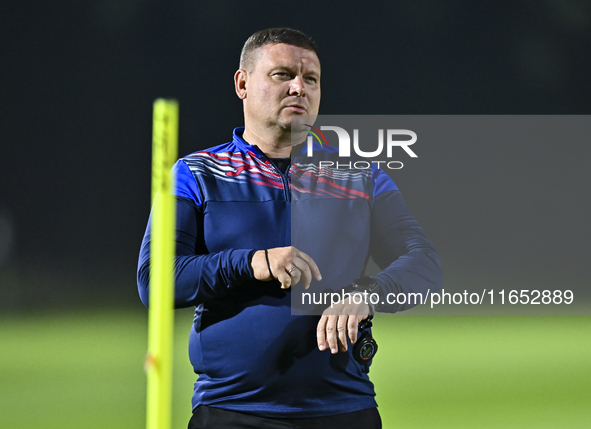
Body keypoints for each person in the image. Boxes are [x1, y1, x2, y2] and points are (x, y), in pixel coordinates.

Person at [138, 28, 443, 429]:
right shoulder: (195, 173)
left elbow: (425, 265)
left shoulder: (361, 174)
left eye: (311, 79)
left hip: (344, 410)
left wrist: (367, 292)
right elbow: (155, 281)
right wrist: (252, 262)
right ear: (242, 84)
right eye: (283, 74)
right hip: (231, 412)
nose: (299, 87)